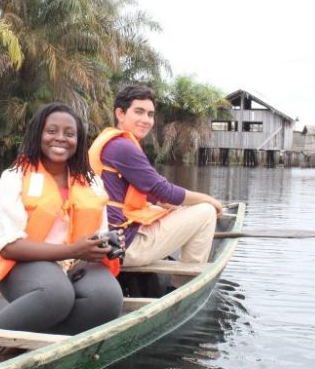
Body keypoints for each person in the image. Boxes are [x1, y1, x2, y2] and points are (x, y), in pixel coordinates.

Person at [0, 103, 123, 363]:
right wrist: (74, 249)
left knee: (108, 300)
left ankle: (19, 350)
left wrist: (106, 245)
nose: (61, 138)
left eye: (69, 133)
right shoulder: (15, 177)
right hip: (23, 264)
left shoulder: (91, 181)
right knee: (56, 295)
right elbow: (8, 246)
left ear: (79, 139)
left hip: (75, 264)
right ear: (37, 134)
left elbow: (98, 231)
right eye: (51, 130)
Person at [88, 84, 223, 273]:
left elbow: (148, 193)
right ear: (120, 113)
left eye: (150, 114)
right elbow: (165, 191)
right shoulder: (123, 147)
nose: (146, 120)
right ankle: (183, 285)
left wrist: (165, 205)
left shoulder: (111, 141)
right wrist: (209, 199)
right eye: (139, 112)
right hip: (123, 246)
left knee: (166, 208)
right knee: (206, 212)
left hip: (107, 240)